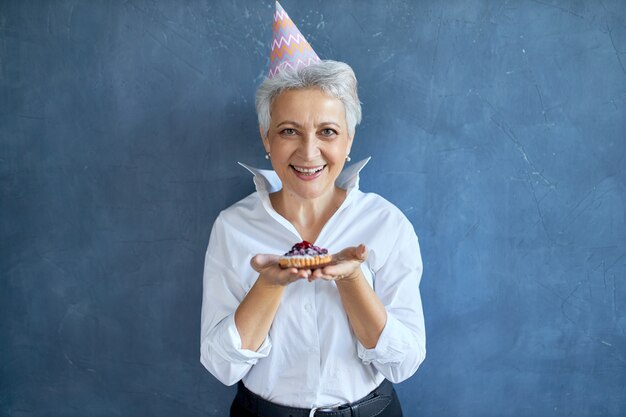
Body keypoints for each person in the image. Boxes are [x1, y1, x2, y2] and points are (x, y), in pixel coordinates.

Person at [200, 3, 425, 416]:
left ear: (349, 140)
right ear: (266, 137)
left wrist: (353, 278)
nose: (308, 152)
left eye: (327, 132)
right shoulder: (232, 227)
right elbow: (222, 366)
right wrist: (268, 285)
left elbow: (403, 363)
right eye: (289, 131)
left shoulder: (387, 224)